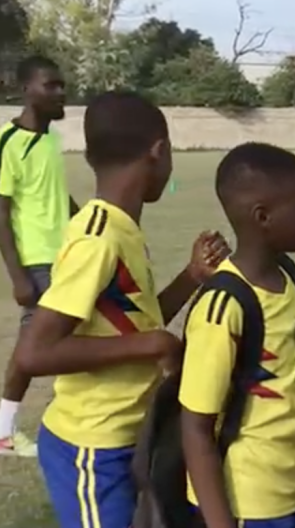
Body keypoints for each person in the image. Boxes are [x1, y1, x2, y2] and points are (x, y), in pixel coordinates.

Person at [13, 90, 229, 528]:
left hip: (132, 435)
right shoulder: (98, 238)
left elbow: (132, 323)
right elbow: (34, 354)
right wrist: (154, 344)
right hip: (93, 448)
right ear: (159, 151)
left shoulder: (122, 229)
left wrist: (191, 276)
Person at [180, 142, 295, 528]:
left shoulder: (287, 275)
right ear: (263, 217)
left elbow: (272, 373)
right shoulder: (223, 305)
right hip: (250, 506)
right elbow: (196, 427)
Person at [0, 55, 78, 456]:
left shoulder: (50, 139)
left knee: (64, 340)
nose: (60, 91)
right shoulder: (8, 143)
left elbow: (57, 196)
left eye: (61, 84)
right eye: (51, 85)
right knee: (34, 347)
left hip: (65, 258)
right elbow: (1, 212)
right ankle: (4, 432)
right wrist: (18, 277)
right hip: (37, 263)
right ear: (26, 90)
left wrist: (96, 222)